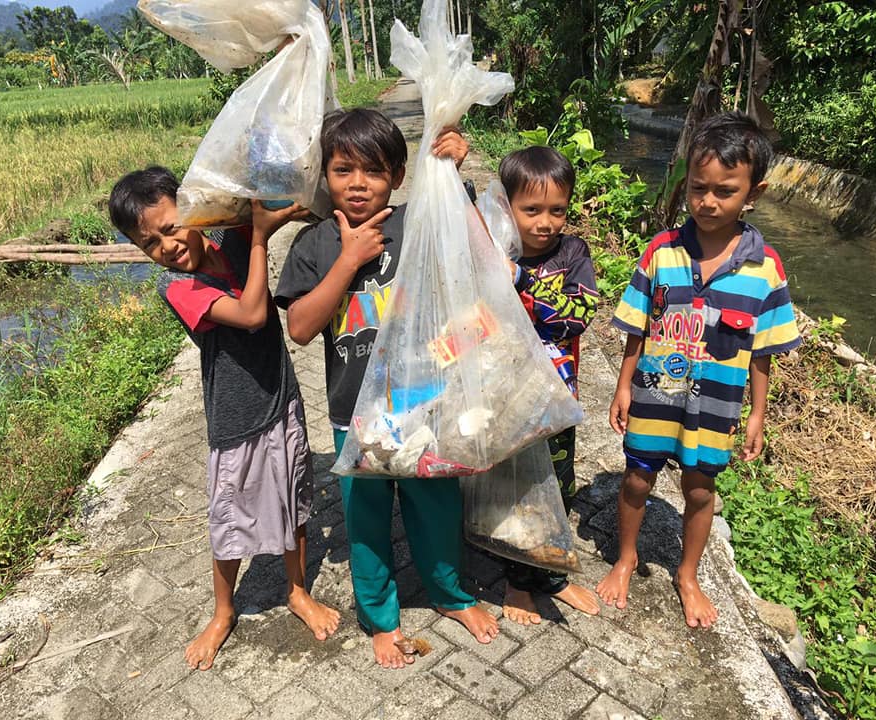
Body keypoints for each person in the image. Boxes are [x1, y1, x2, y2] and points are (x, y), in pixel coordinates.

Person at [274, 108, 499, 669]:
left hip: (423, 404)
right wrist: (348, 261)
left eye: (373, 171)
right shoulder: (315, 245)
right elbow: (300, 329)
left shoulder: (417, 223)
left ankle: (450, 596)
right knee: (366, 521)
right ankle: (380, 617)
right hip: (355, 415)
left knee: (436, 506)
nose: (357, 184)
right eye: (343, 169)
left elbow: (480, 259)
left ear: (398, 176)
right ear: (325, 175)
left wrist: (451, 171)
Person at [108, 167, 340, 671]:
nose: (166, 246)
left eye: (170, 227)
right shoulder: (181, 289)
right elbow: (254, 313)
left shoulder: (227, 234)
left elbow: (283, 208)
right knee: (230, 523)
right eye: (149, 243)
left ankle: (297, 591)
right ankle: (222, 612)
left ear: (192, 209)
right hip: (235, 421)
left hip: (281, 397)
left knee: (293, 500)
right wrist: (258, 239)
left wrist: (285, 205)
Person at [595, 112, 801, 628]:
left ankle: (688, 575)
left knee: (699, 488)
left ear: (754, 192)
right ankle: (626, 556)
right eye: (698, 188)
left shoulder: (765, 269)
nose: (708, 202)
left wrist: (757, 415)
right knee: (637, 478)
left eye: (725, 191)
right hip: (654, 392)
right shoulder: (661, 253)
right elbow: (636, 329)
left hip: (716, 404)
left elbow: (762, 353)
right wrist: (623, 385)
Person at [493, 146, 602, 625]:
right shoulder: (492, 251)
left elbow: (577, 317)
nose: (545, 222)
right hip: (504, 400)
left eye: (557, 210)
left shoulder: (573, 253)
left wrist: (520, 280)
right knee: (511, 489)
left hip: (557, 402)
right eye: (530, 209)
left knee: (558, 486)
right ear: (506, 207)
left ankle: (553, 576)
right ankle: (517, 582)